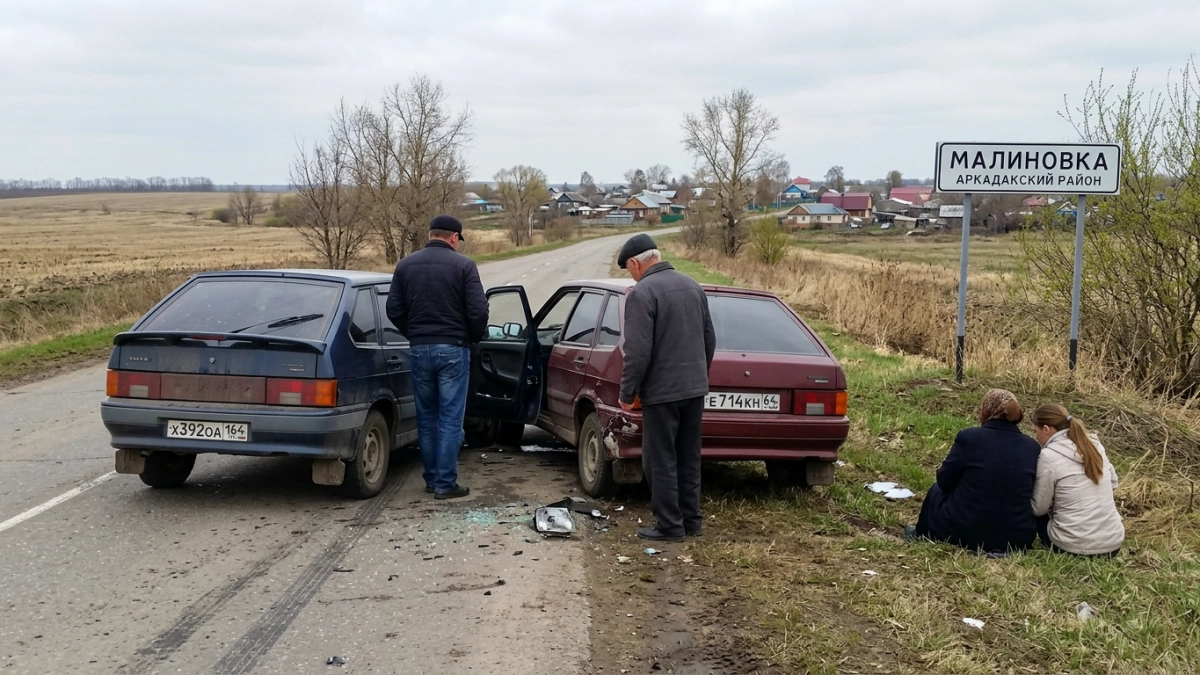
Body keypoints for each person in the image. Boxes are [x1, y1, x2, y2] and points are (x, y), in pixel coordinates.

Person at [617, 234, 716, 542]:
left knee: (659, 459)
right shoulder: (692, 285)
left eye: (628, 269)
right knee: (688, 456)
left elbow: (637, 351)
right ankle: (691, 521)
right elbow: (708, 339)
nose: (630, 275)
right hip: (694, 388)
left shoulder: (642, 293)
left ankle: (669, 525)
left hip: (661, 392)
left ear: (636, 263)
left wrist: (626, 393)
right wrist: (699, 375)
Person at [386, 215, 487, 500]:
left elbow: (393, 309)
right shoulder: (464, 266)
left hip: (419, 349)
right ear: (454, 237)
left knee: (427, 418)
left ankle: (431, 479)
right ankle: (445, 483)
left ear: (431, 234)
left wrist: (414, 333)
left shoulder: (405, 265)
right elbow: (478, 312)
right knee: (451, 418)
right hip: (454, 349)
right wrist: (472, 337)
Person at [909, 389, 1041, 553]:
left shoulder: (970, 437)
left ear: (987, 409)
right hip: (1016, 537)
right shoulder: (1032, 447)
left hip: (966, 531)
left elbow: (944, 480)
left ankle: (920, 533)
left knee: (936, 490)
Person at [1031, 404, 1124, 556]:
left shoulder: (1048, 456)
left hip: (1071, 547)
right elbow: (1113, 482)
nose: (1035, 436)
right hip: (1113, 545)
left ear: (1046, 429)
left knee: (1038, 515)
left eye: (1035, 431)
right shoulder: (1095, 445)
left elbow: (1039, 508)